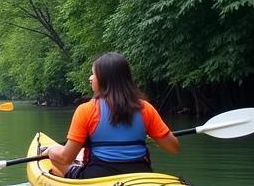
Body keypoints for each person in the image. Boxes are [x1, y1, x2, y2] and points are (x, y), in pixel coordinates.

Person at [41, 52, 179, 178]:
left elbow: (66, 158)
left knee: (56, 159)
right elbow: (173, 148)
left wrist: (50, 152)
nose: (90, 78)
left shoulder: (86, 110)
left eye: (93, 74)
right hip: (140, 174)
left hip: (97, 177)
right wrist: (150, 134)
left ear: (104, 79)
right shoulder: (145, 108)